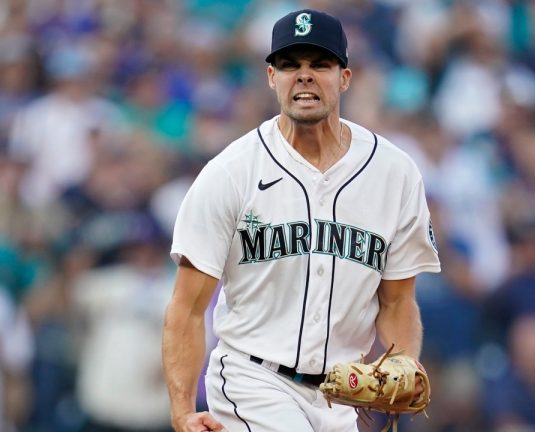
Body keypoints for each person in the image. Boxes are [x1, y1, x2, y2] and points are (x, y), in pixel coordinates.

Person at [162, 9, 441, 432]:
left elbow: (398, 300)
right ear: (271, 76)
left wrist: (403, 359)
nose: (304, 76)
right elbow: (186, 308)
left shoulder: (394, 173)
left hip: (339, 401)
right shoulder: (232, 172)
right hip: (252, 380)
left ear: (345, 77)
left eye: (320, 64)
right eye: (291, 65)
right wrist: (182, 410)